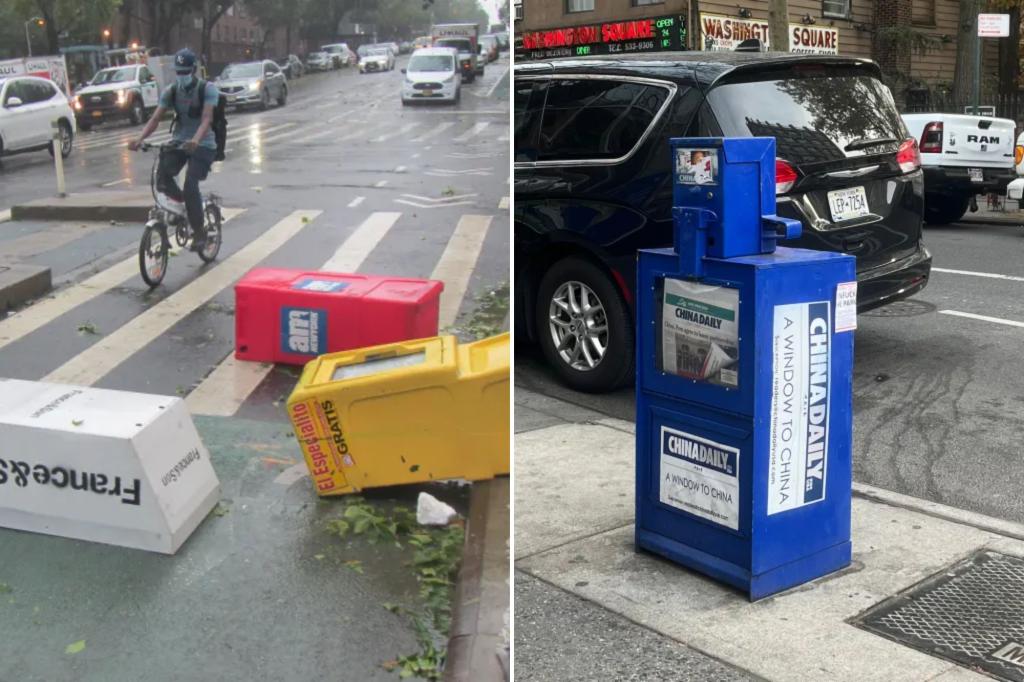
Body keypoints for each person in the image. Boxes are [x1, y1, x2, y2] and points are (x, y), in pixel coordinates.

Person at [129, 48, 218, 251]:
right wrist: (139, 139)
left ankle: (199, 232)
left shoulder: (207, 89)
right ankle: (182, 209)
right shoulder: (172, 90)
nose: (182, 76)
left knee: (190, 185)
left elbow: (206, 119)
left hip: (203, 145)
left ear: (194, 70)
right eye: (179, 72)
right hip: (179, 142)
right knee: (161, 177)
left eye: (185, 72)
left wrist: (195, 140)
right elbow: (155, 118)